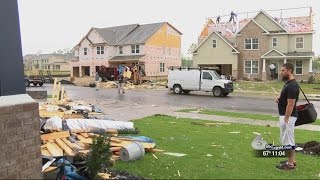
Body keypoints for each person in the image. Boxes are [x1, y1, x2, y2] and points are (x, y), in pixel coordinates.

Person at [275, 63, 300, 170]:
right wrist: (279, 98)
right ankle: (292, 161)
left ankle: (290, 165)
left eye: (283, 70)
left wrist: (286, 119)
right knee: (288, 139)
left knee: (288, 141)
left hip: (288, 117)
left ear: (289, 70)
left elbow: (291, 104)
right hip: (286, 116)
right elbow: (285, 98)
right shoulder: (287, 83)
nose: (281, 72)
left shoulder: (292, 85)